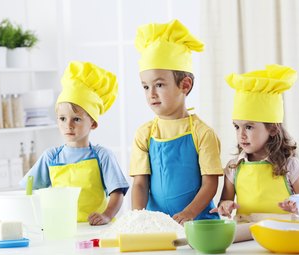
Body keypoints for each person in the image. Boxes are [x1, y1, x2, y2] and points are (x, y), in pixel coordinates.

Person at [130, 19, 223, 225]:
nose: (151, 94)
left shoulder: (203, 133)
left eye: (159, 84)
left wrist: (189, 214)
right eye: (145, 87)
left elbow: (210, 184)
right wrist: (136, 218)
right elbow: (140, 184)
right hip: (158, 224)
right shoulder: (144, 134)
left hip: (198, 222)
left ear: (185, 85)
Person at [20, 61, 129, 225]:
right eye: (62, 118)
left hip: (95, 229)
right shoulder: (51, 157)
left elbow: (117, 192)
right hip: (62, 228)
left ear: (93, 124)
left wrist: (106, 215)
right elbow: (27, 190)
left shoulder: (102, 156)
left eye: (76, 119)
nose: (68, 125)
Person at [210, 64, 299, 240]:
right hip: (247, 236)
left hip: (284, 234)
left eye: (249, 127)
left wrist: (295, 206)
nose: (241, 135)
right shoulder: (234, 167)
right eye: (237, 126)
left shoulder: (290, 165)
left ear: (272, 129)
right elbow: (224, 201)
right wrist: (225, 205)